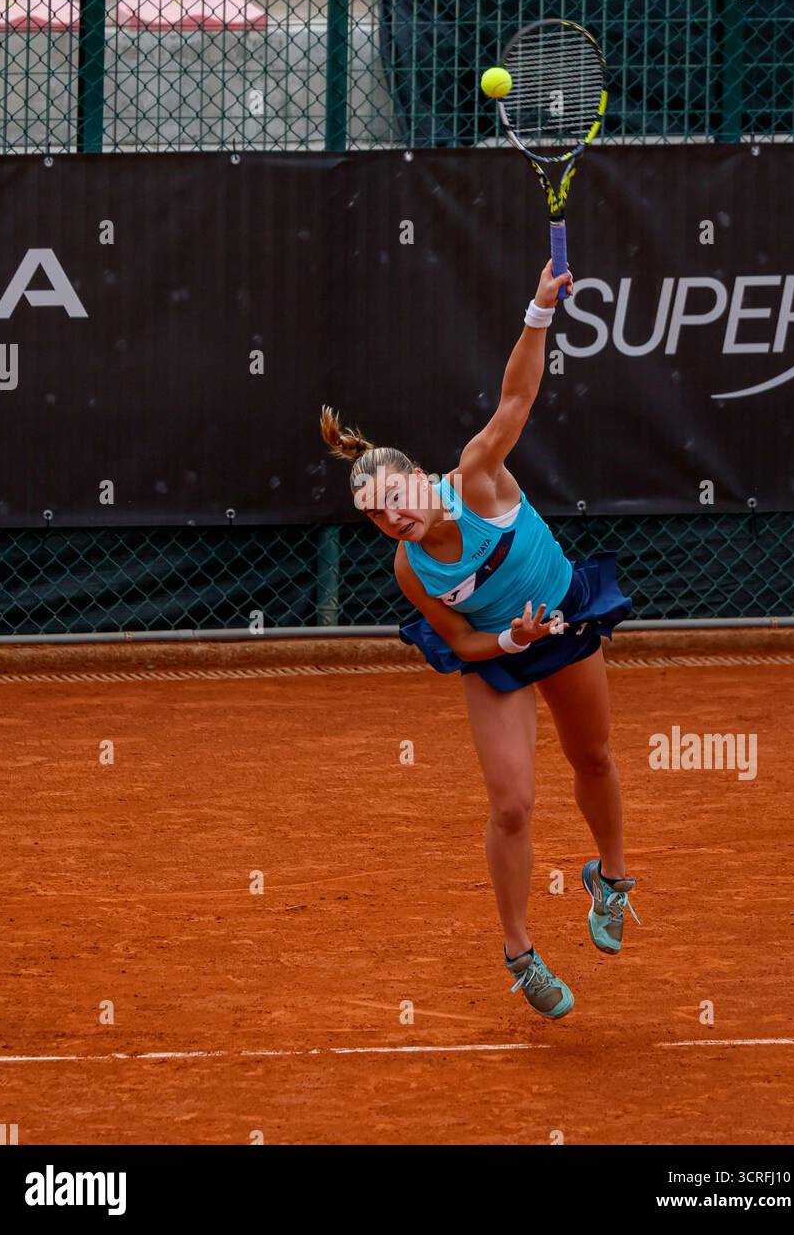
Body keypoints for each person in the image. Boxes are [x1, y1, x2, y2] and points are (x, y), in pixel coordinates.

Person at [320, 259, 638, 1019]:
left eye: (395, 499)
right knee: (513, 807)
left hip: (562, 619)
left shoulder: (479, 474)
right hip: (500, 657)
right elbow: (461, 645)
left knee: (592, 755)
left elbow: (517, 396)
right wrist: (509, 644)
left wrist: (538, 308)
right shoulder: (411, 568)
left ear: (419, 478)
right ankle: (521, 953)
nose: (394, 519)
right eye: (377, 516)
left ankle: (612, 878)